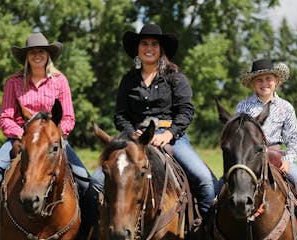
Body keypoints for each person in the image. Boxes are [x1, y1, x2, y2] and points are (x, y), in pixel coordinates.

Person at [91, 23, 218, 224]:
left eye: (154, 44)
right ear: (138, 49)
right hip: (135, 138)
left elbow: (186, 111)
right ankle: (96, 229)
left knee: (205, 181)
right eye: (144, 44)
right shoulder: (128, 80)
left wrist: (169, 134)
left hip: (171, 137)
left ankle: (203, 228)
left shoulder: (175, 77)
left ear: (161, 50)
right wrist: (133, 135)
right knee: (97, 182)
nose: (149, 48)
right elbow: (120, 115)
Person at [0, 32, 96, 239]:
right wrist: (24, 135)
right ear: (26, 56)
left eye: (41, 51)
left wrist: (53, 135)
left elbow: (68, 117)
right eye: (32, 52)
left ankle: (87, 233)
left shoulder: (60, 81)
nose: (37, 55)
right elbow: (5, 118)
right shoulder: (13, 83)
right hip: (21, 141)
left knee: (87, 183)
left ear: (48, 55)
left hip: (53, 142)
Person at [235, 58, 297, 240]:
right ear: (253, 84)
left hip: (277, 156)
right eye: (259, 80)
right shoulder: (243, 107)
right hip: (248, 158)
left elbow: (294, 139)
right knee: (221, 187)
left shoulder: (286, 107)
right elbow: (236, 137)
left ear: (276, 81)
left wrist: (288, 160)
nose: (264, 83)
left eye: (268, 78)